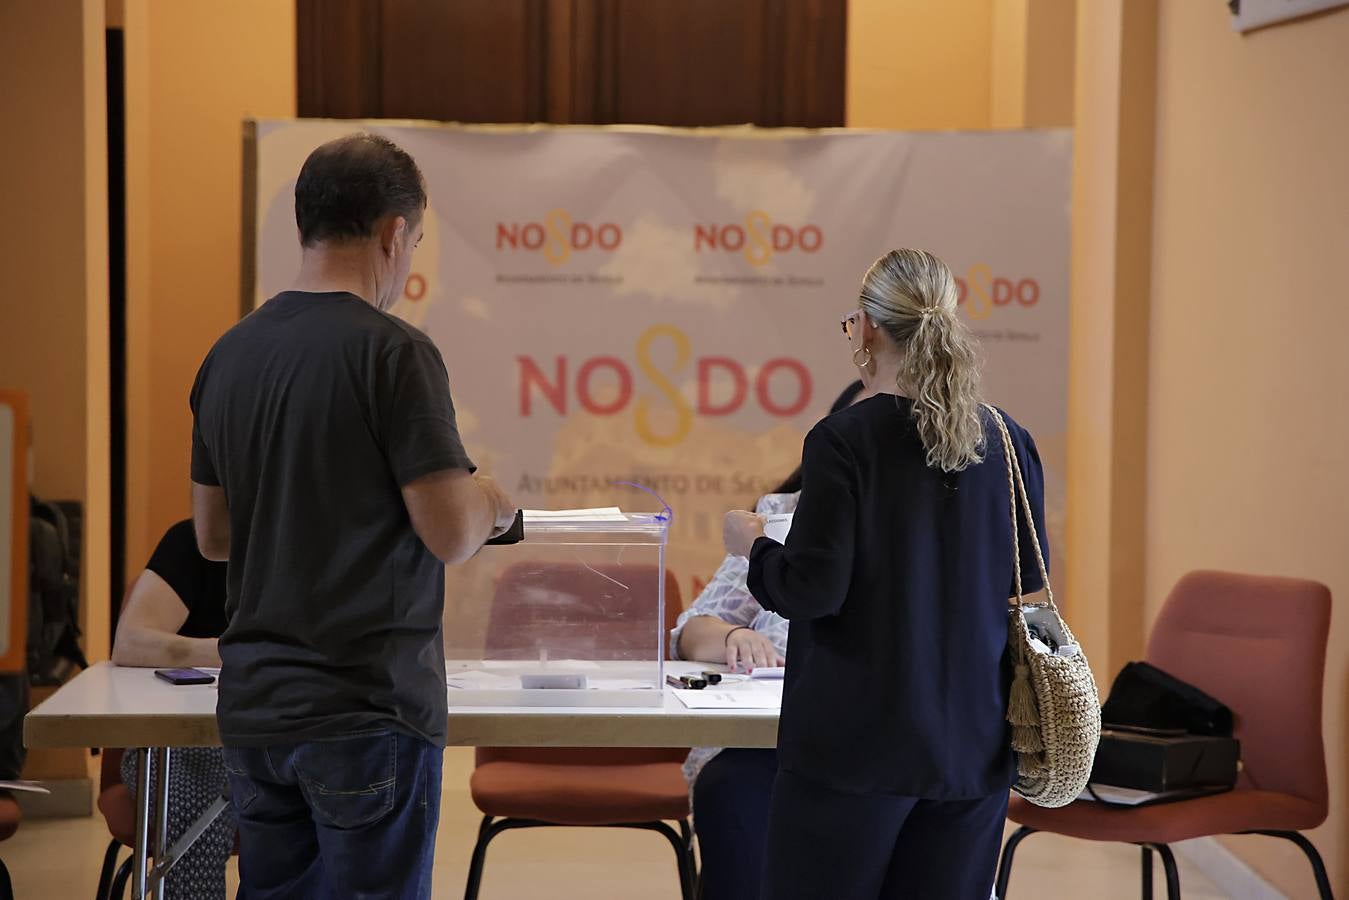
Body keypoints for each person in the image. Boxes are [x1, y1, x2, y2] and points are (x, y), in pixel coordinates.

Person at [189, 133, 517, 899]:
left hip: (256, 710)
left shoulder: (228, 354)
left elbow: (213, 536)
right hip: (367, 709)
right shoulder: (393, 353)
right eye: (416, 241)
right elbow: (448, 531)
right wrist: (493, 500)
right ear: (393, 233)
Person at [723, 249, 1049, 900]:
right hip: (974, 750)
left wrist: (753, 548)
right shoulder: (1008, 440)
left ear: (868, 330)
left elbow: (812, 589)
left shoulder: (843, 440)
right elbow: (1026, 581)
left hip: (854, 751)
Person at [669, 379, 865, 900]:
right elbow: (693, 631)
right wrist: (734, 636)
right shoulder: (777, 519)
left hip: (884, 744)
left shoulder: (933, 520)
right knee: (729, 788)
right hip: (773, 743)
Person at [111, 519, 232, 900]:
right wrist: (234, 651)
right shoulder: (193, 541)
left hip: (281, 736)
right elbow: (130, 643)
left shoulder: (315, 545)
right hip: (177, 744)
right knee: (196, 804)